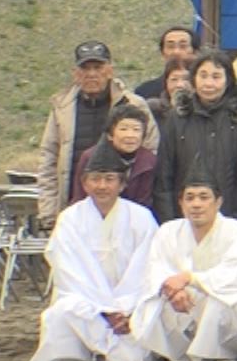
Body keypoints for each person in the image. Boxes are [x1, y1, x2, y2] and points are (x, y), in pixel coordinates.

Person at [24, 143, 159, 361]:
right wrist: (103, 309)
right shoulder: (70, 219)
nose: (102, 186)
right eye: (95, 179)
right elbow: (70, 272)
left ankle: (112, 351)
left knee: (130, 359)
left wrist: (123, 309)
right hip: (85, 305)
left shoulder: (141, 218)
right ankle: (77, 357)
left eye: (109, 179)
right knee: (62, 312)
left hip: (128, 309)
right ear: (85, 183)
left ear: (122, 183)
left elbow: (146, 268)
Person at [130, 167, 237, 361]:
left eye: (203, 197)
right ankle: (170, 356)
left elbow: (233, 275)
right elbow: (155, 267)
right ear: (181, 204)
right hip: (181, 300)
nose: (196, 204)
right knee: (154, 302)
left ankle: (221, 356)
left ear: (218, 202)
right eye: (189, 198)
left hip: (219, 298)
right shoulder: (168, 231)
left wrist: (190, 279)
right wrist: (172, 290)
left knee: (221, 301)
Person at [38, 39, 158, 229]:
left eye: (98, 67)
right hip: (74, 208)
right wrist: (48, 212)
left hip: (127, 212)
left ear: (110, 69)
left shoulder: (134, 105)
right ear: (75, 73)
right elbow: (49, 160)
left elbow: (151, 152)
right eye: (85, 68)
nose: (92, 74)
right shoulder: (61, 108)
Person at [154, 50, 237, 224]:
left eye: (216, 77)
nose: (209, 83)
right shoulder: (177, 117)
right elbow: (165, 173)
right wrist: (168, 219)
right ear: (193, 79)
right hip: (185, 216)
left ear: (228, 80)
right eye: (203, 75)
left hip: (230, 217)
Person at [69, 106, 158, 212]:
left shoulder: (148, 161)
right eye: (123, 129)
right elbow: (80, 195)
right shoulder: (89, 157)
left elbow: (145, 201)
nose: (130, 135)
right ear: (110, 135)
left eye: (136, 130)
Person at [132, 25, 198, 102]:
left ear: (195, 52)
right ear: (162, 53)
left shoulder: (206, 91)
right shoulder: (144, 92)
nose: (176, 52)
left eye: (183, 46)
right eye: (171, 46)